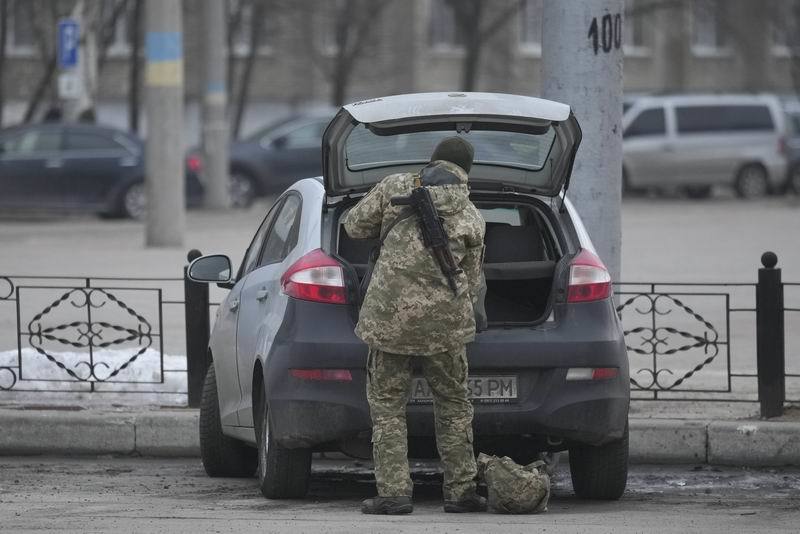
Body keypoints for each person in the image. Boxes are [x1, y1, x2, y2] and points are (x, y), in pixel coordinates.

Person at [343, 136, 486, 515]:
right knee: (454, 405)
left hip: (390, 322)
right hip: (447, 327)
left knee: (388, 407)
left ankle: (393, 494)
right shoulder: (472, 215)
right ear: (467, 171)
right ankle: (461, 493)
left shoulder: (394, 187)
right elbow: (471, 281)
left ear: (433, 160)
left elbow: (353, 227)